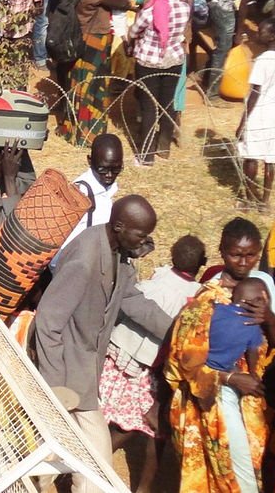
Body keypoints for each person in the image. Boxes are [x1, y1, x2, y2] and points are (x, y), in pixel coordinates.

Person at [34, 195, 173, 493]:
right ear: (120, 226)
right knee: (95, 464)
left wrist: (177, 329)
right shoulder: (86, 259)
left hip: (83, 371)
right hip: (67, 374)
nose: (144, 241)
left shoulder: (118, 252)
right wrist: (56, 388)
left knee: (57, 450)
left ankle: (38, 481)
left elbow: (132, 299)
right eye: (141, 234)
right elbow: (48, 320)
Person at [167, 219, 275, 493]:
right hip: (212, 397)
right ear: (222, 251)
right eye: (236, 254)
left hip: (251, 395)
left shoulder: (263, 284)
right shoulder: (208, 298)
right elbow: (183, 361)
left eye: (251, 255)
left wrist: (268, 317)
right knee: (233, 471)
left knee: (247, 462)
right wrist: (232, 378)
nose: (244, 262)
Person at [98, 235, 206, 493]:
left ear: (171, 255)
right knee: (139, 422)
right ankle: (102, 460)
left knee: (105, 410)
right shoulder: (195, 297)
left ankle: (88, 455)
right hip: (147, 366)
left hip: (118, 352)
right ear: (202, 263)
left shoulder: (158, 278)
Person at [56, 0, 134, 146]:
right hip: (94, 42)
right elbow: (119, 2)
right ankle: (89, 133)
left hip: (72, 40)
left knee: (75, 84)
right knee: (94, 87)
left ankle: (70, 129)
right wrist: (133, 3)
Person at [127, 0, 190, 164]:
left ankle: (146, 155)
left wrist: (132, 37)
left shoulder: (150, 10)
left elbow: (135, 31)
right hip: (174, 60)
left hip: (148, 61)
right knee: (167, 104)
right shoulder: (184, 8)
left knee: (148, 107)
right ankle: (164, 147)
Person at [236, 19, 275, 211]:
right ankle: (265, 201)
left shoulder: (263, 60)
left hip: (259, 110)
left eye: (261, 31)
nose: (257, 34)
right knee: (270, 156)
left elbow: (255, 94)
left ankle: (249, 199)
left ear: (273, 36)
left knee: (251, 156)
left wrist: (243, 122)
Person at [205, 0, 265, 99]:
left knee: (222, 44)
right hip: (223, 5)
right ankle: (212, 93)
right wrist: (239, 32)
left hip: (219, 0)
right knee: (223, 48)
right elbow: (245, 2)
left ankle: (206, 78)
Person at [55, 134, 123, 260]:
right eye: (103, 169)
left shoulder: (106, 189)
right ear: (90, 161)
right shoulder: (80, 196)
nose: (109, 175)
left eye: (116, 169)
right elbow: (60, 252)